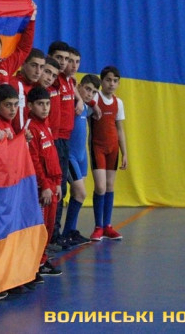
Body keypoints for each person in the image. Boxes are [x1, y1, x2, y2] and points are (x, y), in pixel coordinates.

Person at [25, 86, 63, 277]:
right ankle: (33, 264)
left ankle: (42, 259)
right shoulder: (31, 127)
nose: (45, 108)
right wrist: (45, 186)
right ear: (30, 106)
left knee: (48, 226)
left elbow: (52, 157)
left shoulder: (45, 125)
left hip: (52, 185)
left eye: (47, 104)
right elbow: (34, 161)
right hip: (42, 188)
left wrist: (57, 182)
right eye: (40, 104)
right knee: (39, 228)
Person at [90, 66, 128, 241]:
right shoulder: (94, 97)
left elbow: (120, 129)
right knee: (100, 187)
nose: (111, 84)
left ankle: (108, 226)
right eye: (108, 80)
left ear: (118, 83)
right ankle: (98, 226)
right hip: (97, 147)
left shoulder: (118, 103)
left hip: (112, 148)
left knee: (110, 186)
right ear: (102, 81)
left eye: (115, 81)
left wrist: (124, 153)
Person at [62, 74, 101, 246]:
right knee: (81, 193)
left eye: (93, 92)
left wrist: (94, 104)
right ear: (79, 87)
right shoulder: (73, 103)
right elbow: (70, 86)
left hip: (82, 156)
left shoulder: (86, 107)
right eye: (87, 89)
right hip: (70, 155)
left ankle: (71, 231)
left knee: (77, 195)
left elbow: (91, 102)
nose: (90, 94)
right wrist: (79, 97)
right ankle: (65, 233)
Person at [47, 41, 74, 250]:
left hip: (64, 140)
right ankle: (50, 237)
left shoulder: (67, 81)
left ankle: (55, 234)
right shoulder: (49, 82)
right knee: (53, 189)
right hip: (52, 141)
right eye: (59, 58)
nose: (63, 62)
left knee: (61, 189)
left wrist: (84, 101)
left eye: (66, 59)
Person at [8, 48, 47, 132]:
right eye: (34, 65)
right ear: (23, 63)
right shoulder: (16, 85)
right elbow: (19, 123)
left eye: (41, 67)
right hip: (20, 137)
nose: (38, 71)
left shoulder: (36, 85)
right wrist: (22, 137)